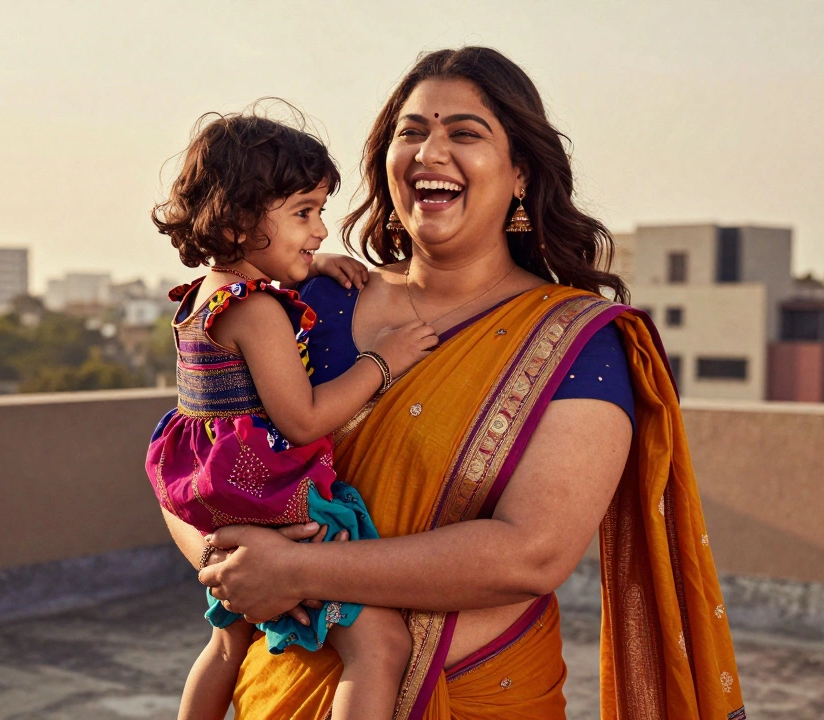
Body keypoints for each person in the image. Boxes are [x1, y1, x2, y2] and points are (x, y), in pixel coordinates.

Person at [170, 48, 746, 719]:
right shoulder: (312, 301)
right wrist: (230, 565)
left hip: (481, 692)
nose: (428, 152)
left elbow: (530, 553)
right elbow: (196, 453)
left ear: (520, 173)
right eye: (410, 133)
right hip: (283, 688)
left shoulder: (576, 342)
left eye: (464, 134)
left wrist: (292, 572)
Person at [146, 109, 438, 720]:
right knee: (379, 645)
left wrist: (310, 266)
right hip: (268, 496)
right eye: (304, 213)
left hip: (208, 486)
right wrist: (383, 363)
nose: (321, 228)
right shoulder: (258, 312)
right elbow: (304, 420)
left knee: (227, 640)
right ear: (240, 217)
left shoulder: (206, 295)